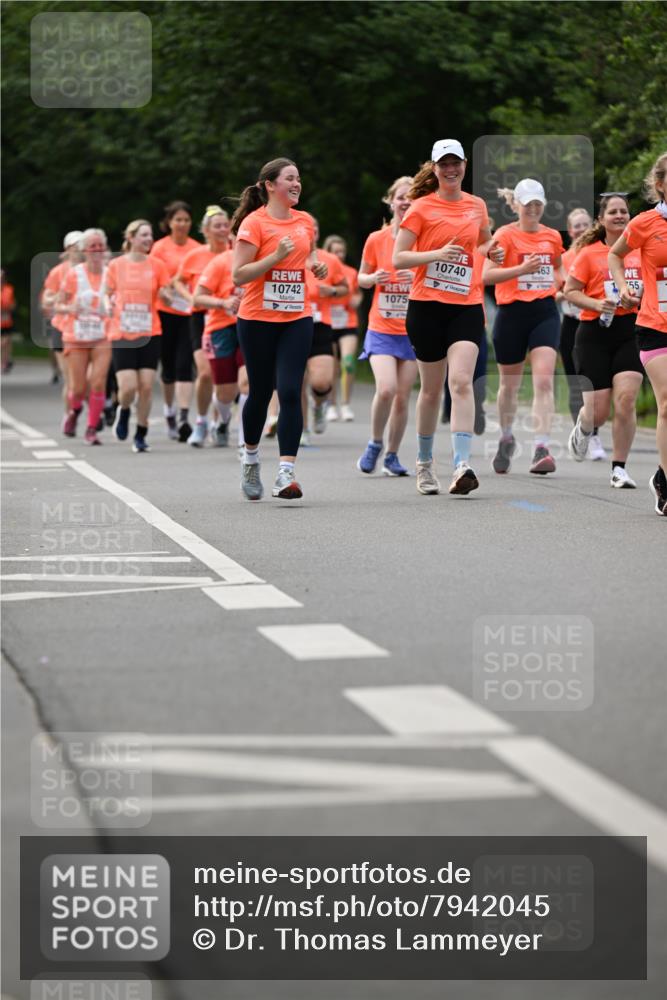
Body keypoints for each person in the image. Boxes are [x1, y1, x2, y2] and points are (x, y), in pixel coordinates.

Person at [392, 139, 504, 495]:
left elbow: (484, 243)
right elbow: (399, 258)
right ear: (435, 168)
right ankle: (425, 463)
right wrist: (436, 253)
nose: (450, 169)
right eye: (444, 164)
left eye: (456, 163)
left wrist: (494, 251)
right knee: (429, 391)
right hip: (426, 306)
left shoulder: (477, 206)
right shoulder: (421, 208)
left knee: (460, 383)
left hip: (466, 306)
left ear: (465, 165)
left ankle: (461, 464)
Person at [231, 157, 327, 500]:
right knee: (260, 391)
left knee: (289, 390)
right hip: (257, 318)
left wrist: (316, 267)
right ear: (271, 185)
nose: (297, 183)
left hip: (296, 317)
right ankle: (251, 458)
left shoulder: (304, 221)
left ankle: (286, 473)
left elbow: (309, 254)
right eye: (290, 178)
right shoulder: (254, 224)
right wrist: (274, 257)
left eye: (299, 178)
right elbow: (238, 275)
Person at [483, 179, 565, 475]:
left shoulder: (553, 236)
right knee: (509, 386)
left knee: (544, 380)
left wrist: (561, 281)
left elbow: (558, 265)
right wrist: (521, 270)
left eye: (537, 204)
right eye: (527, 203)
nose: (532, 209)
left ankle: (541, 447)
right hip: (511, 313)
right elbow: (486, 276)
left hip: (544, 312)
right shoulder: (504, 236)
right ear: (515, 205)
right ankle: (506, 436)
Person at [564, 194, 644, 488]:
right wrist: (597, 304)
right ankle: (584, 427)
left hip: (631, 331)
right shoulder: (588, 254)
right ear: (601, 219)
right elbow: (570, 291)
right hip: (593, 334)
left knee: (625, 399)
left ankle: (619, 468)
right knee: (597, 410)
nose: (620, 216)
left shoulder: (639, 251)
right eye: (613, 212)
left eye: (624, 211)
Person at [608, 152, 667, 514]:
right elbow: (615, 255)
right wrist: (622, 288)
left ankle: (661, 473)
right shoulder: (645, 223)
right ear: (660, 184)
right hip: (654, 326)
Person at [356, 175, 418, 477]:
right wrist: (373, 278)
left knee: (404, 396)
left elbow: (436, 278)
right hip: (381, 327)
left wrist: (416, 277)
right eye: (401, 196)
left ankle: (392, 456)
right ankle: (375, 443)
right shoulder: (376, 240)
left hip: (414, 330)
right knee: (387, 390)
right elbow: (361, 278)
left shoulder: (424, 239)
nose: (406, 201)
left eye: (411, 197)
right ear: (390, 200)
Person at [105, 219, 173, 452]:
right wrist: (107, 303)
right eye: (143, 235)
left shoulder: (157, 265)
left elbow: (165, 291)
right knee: (128, 387)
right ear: (131, 237)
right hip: (122, 332)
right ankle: (123, 412)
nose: (148, 239)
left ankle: (141, 433)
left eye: (150, 235)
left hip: (150, 331)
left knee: (145, 385)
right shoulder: (116, 265)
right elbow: (107, 292)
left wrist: (168, 296)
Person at [174, 206, 231, 446]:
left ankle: (221, 423)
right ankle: (201, 421)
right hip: (202, 316)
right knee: (205, 373)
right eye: (216, 225)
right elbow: (176, 282)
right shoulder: (195, 255)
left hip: (229, 318)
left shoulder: (236, 253)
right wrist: (190, 299)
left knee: (223, 377)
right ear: (205, 230)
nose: (222, 229)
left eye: (225, 224)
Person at [557, 208, 606, 458]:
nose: (581, 229)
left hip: (595, 325)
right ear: (569, 228)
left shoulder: (600, 254)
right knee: (576, 383)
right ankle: (584, 434)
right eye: (576, 225)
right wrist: (567, 294)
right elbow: (553, 289)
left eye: (585, 224)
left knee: (596, 384)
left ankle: (594, 435)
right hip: (571, 324)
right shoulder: (564, 258)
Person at [55, 229, 111, 444]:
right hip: (76, 336)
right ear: (84, 250)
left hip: (102, 335)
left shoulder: (110, 273)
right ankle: (74, 412)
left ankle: (91, 428)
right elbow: (59, 305)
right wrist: (71, 307)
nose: (96, 250)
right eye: (92, 246)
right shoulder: (73, 274)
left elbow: (119, 299)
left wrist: (114, 307)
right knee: (78, 388)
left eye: (100, 246)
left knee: (97, 383)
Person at [150, 200, 200, 440]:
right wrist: (164, 292)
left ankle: (183, 416)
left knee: (185, 365)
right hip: (165, 312)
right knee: (168, 366)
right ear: (169, 222)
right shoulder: (159, 248)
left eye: (186, 220)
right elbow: (153, 278)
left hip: (189, 313)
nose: (182, 224)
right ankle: (169, 411)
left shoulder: (196, 248)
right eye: (178, 219)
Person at [193, 240, 244, 448]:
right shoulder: (220, 262)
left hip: (252, 326)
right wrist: (222, 303)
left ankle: (245, 442)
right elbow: (198, 298)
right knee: (225, 392)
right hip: (220, 329)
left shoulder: (264, 259)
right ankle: (222, 421)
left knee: (247, 383)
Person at [302, 219, 348, 438]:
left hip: (321, 324)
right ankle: (300, 429)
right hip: (291, 322)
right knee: (296, 380)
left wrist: (330, 291)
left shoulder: (329, 259)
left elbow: (344, 289)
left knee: (321, 381)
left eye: (315, 229)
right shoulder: (287, 255)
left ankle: (319, 405)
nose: (311, 232)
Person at [41, 232, 84, 405]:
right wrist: (59, 296)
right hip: (63, 327)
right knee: (71, 381)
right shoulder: (58, 272)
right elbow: (46, 299)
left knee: (88, 380)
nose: (81, 250)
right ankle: (70, 416)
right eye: (77, 247)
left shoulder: (93, 270)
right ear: (68, 249)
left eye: (83, 246)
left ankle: (94, 414)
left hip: (88, 329)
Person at [323, 234, 362, 421]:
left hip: (348, 321)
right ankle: (330, 405)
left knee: (347, 362)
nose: (340, 255)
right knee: (332, 367)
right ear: (328, 253)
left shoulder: (351, 272)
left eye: (342, 251)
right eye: (335, 252)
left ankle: (346, 404)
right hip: (328, 322)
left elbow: (358, 293)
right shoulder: (322, 270)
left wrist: (357, 300)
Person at [1, 268, 17, 373]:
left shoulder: (9, 289)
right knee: (3, 342)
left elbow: (13, 304)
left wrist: (9, 307)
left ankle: (5, 362)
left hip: (7, 320)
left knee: (7, 342)